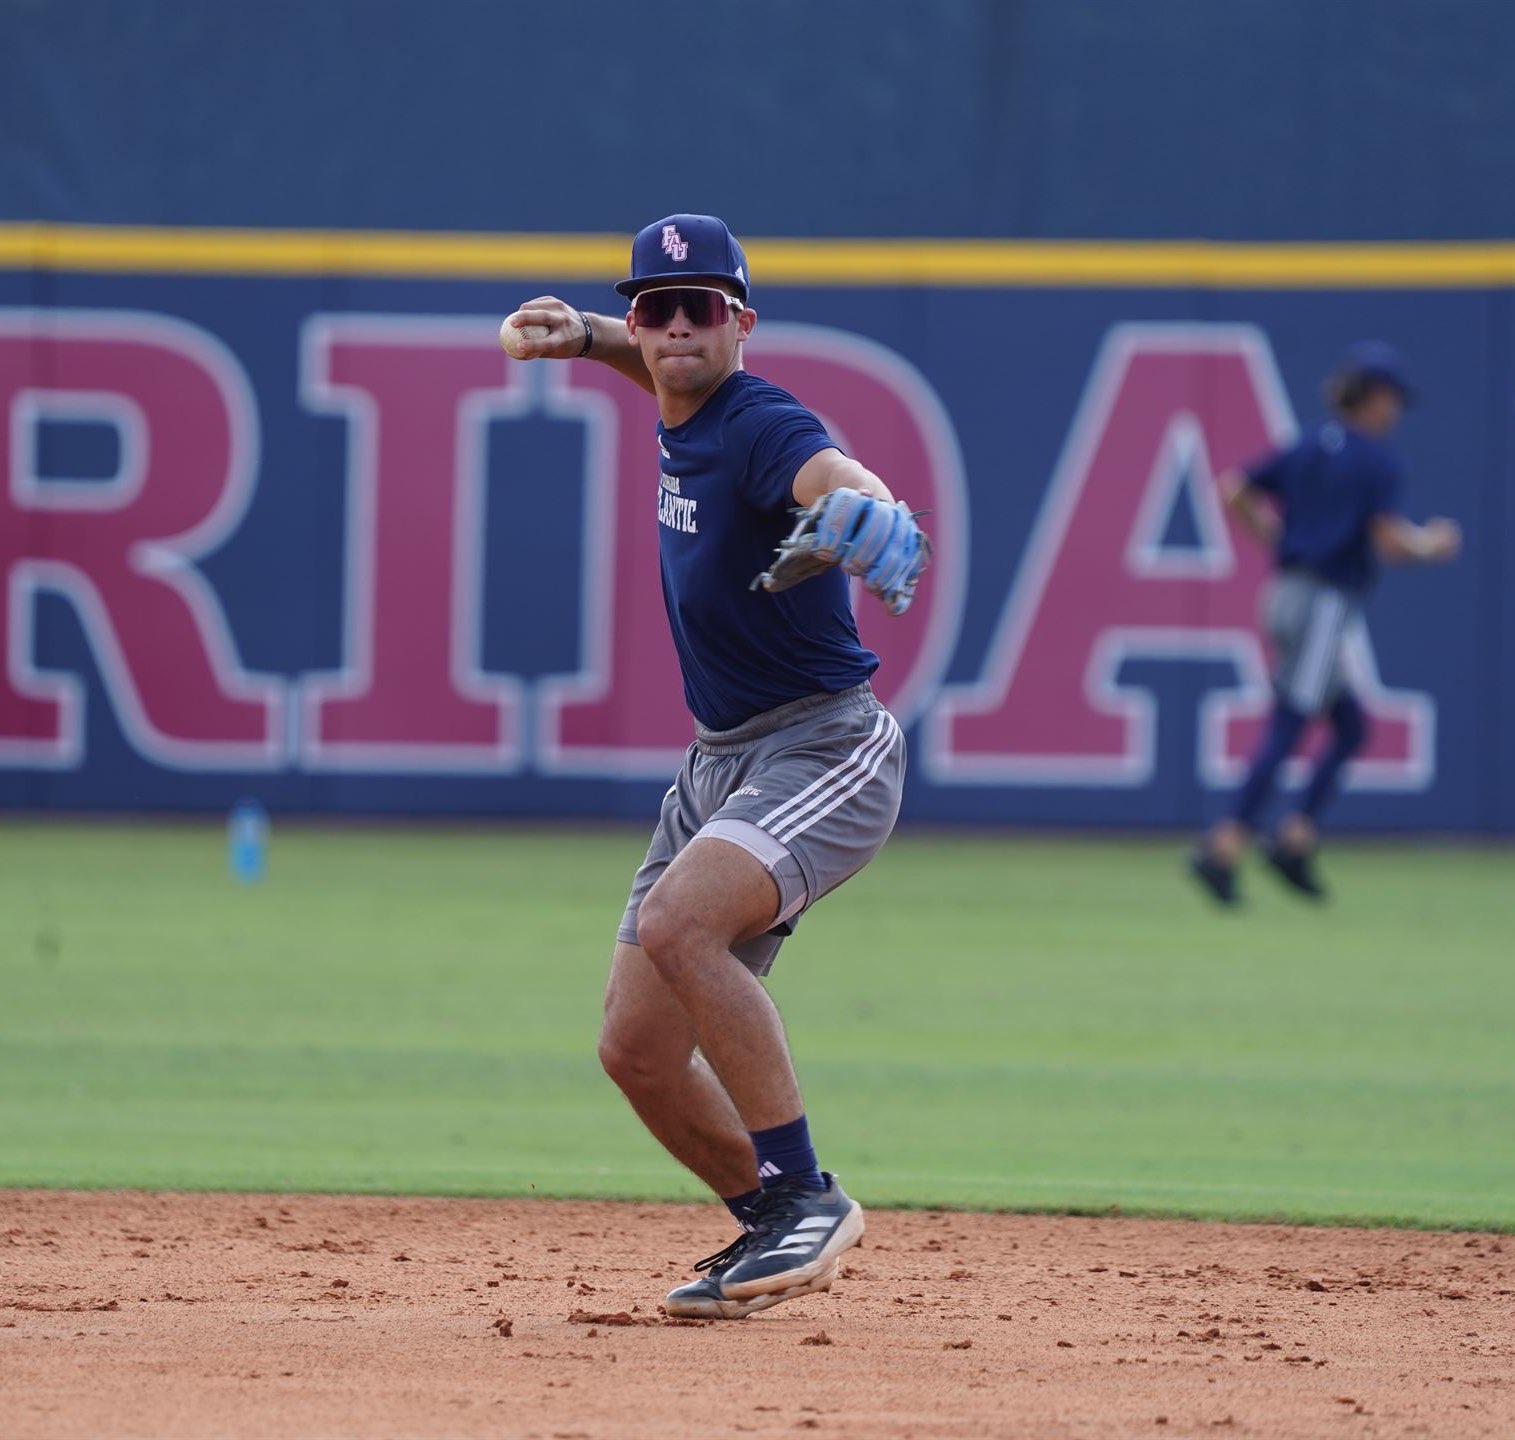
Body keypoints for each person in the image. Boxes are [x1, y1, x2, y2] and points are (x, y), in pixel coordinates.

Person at [502, 214, 930, 1319]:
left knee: (680, 924)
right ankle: (767, 1225)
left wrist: (868, 505)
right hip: (720, 764)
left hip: (824, 742)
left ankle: (806, 1194)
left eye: (703, 307)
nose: (678, 326)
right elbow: (657, 362)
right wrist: (584, 334)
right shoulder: (674, 386)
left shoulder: (757, 423)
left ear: (743, 321)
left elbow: (832, 469)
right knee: (635, 1050)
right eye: (657, 307)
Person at [1189, 341, 1460, 906]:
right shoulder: (1379, 461)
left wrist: (1274, 539)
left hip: (1284, 593)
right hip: (1323, 604)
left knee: (1352, 727)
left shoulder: (1311, 444)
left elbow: (1232, 488)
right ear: (1374, 398)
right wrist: (1431, 544)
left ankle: (1295, 840)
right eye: (1391, 400)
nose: (1395, 412)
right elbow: (1388, 541)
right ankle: (1224, 846)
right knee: (1288, 723)